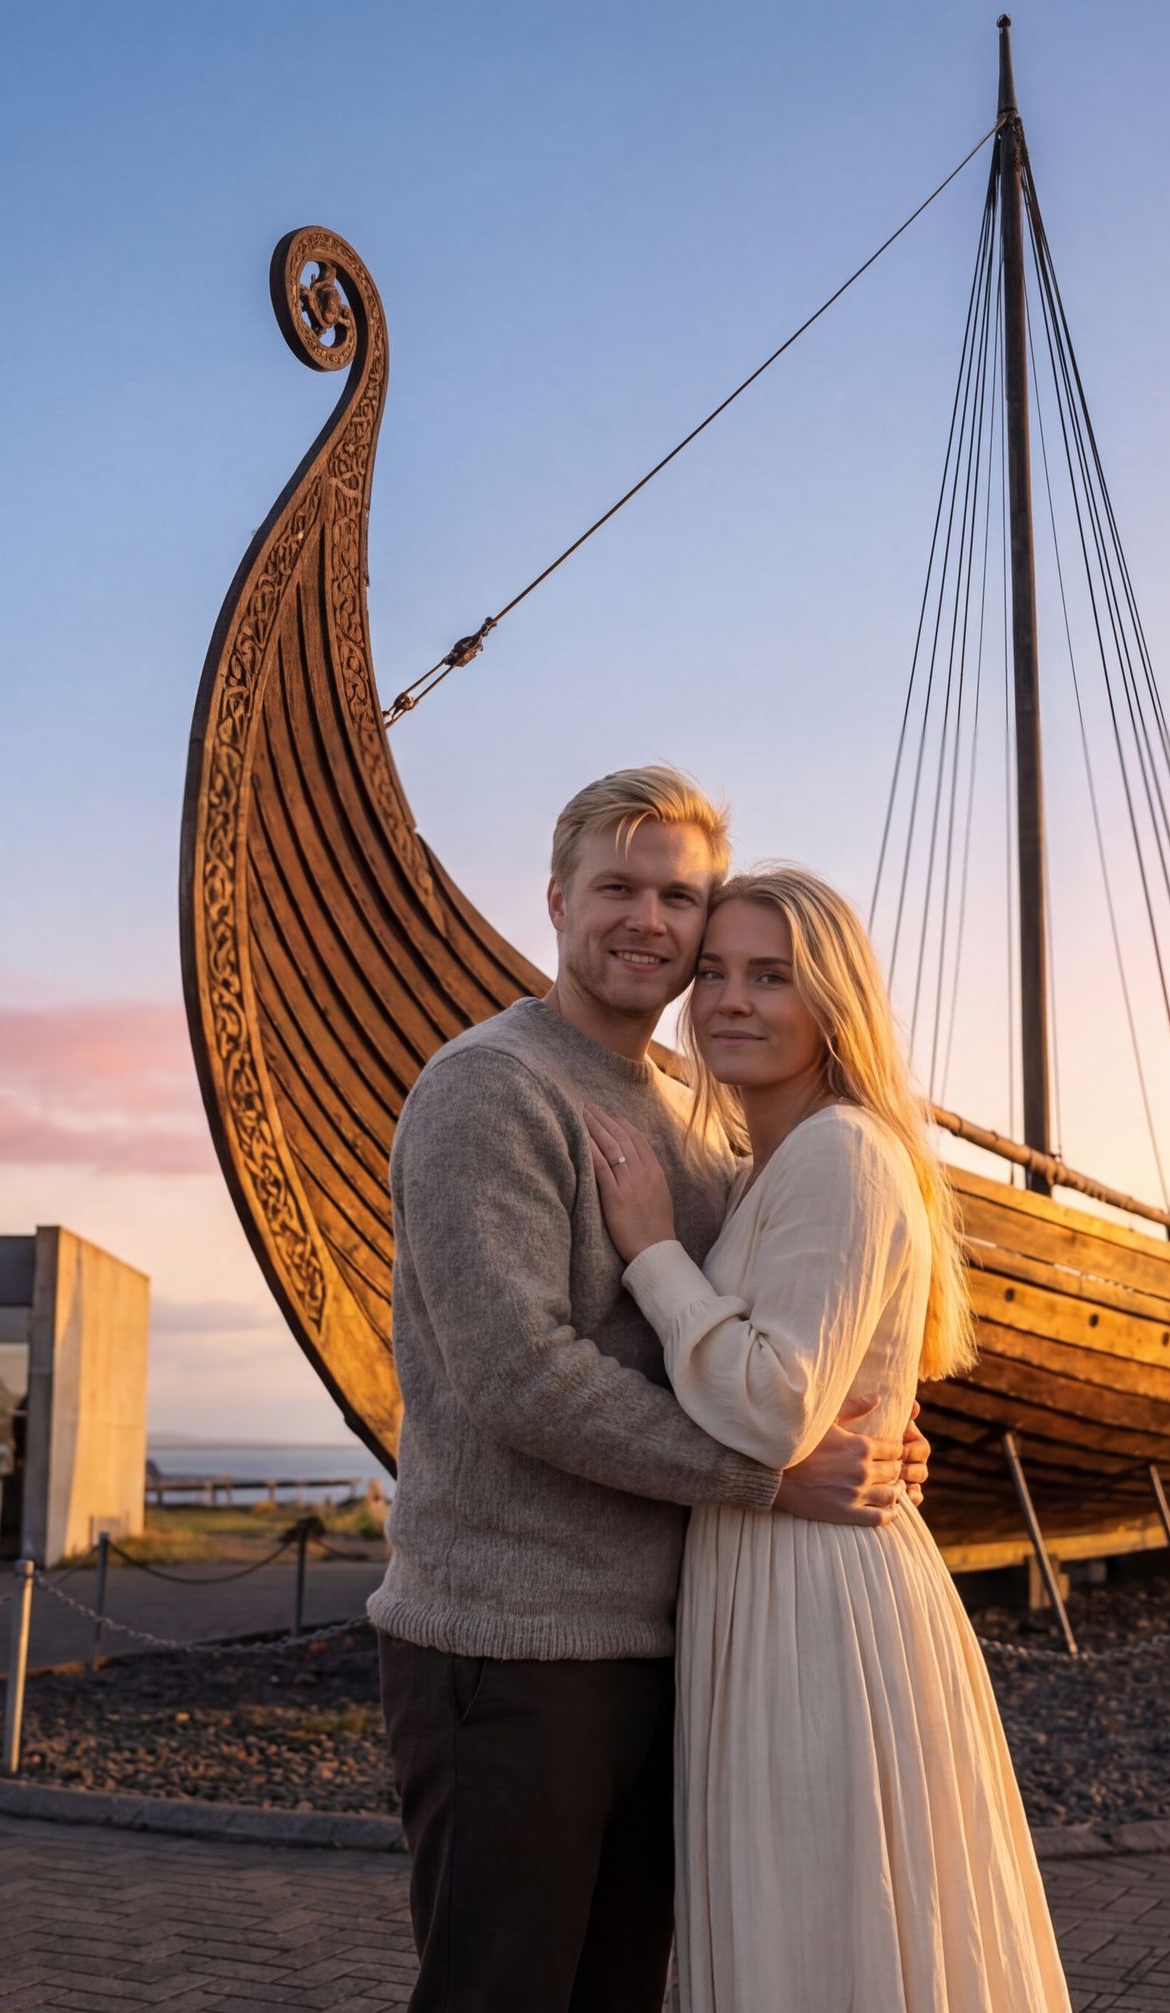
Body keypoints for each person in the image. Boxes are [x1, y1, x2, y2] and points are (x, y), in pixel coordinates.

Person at [370, 768, 933, 2013]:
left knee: (621, 1994)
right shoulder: (490, 1088)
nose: (649, 920)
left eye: (679, 895)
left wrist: (877, 1407)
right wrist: (774, 1477)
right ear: (558, 898)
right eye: (617, 886)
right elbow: (523, 1377)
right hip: (510, 1645)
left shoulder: (702, 1113)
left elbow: (765, 1332)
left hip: (671, 1645)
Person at [585, 864, 1072, 2013]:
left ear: (833, 1002)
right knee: (808, 1923)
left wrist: (651, 1250)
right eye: (712, 974)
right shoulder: (773, 1164)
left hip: (817, 1601)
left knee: (819, 1926)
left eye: (771, 976)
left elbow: (772, 1404)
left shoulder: (841, 1152)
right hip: (782, 1579)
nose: (730, 1001)